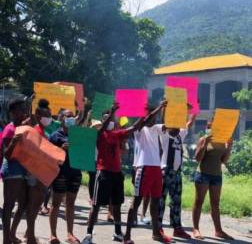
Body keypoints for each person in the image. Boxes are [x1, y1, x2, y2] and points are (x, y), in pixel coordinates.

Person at [81, 104, 144, 244]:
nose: (109, 121)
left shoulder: (117, 134)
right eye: (106, 119)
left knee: (116, 205)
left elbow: (133, 128)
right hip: (103, 172)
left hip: (116, 173)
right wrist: (112, 112)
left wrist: (144, 115)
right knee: (96, 205)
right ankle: (89, 235)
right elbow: (103, 127)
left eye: (111, 119)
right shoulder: (98, 134)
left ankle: (117, 233)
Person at [124, 102, 172, 244]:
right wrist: (159, 107)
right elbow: (146, 119)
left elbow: (169, 127)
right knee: (137, 201)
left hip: (156, 168)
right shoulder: (139, 129)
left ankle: (156, 233)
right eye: (150, 114)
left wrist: (173, 111)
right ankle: (127, 235)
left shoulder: (157, 128)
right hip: (143, 168)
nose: (154, 118)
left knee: (156, 201)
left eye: (154, 115)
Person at [158, 114, 196, 240]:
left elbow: (189, 123)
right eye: (176, 124)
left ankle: (177, 228)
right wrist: (166, 109)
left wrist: (194, 111)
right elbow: (165, 120)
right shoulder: (164, 134)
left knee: (176, 201)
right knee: (161, 200)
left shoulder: (181, 135)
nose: (180, 126)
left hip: (177, 172)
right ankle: (158, 228)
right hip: (165, 171)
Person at [192, 121, 234, 240]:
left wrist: (229, 147)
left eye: (211, 127)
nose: (208, 128)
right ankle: (196, 229)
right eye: (208, 127)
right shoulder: (203, 139)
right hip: (203, 174)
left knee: (215, 204)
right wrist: (205, 144)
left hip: (216, 176)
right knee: (199, 202)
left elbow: (224, 161)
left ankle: (218, 231)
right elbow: (197, 158)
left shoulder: (222, 142)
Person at [48, 109, 82, 244]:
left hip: (75, 173)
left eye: (72, 116)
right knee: (55, 204)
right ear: (61, 119)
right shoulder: (55, 136)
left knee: (70, 204)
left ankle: (70, 234)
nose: (71, 119)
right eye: (68, 116)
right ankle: (53, 235)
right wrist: (61, 148)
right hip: (60, 173)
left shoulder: (79, 134)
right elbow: (49, 155)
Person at [0, 98, 28, 244]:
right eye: (21, 110)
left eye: (24, 109)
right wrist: (15, 140)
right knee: (9, 205)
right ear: (12, 113)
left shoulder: (25, 126)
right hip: (12, 170)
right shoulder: (10, 129)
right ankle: (6, 239)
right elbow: (6, 154)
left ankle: (11, 234)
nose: (24, 112)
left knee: (23, 204)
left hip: (23, 169)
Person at [25, 99, 53, 244]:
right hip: (35, 172)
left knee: (36, 204)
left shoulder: (43, 131)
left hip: (41, 172)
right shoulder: (36, 130)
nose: (49, 117)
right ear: (38, 115)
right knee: (33, 204)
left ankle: (28, 233)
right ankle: (30, 236)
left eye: (50, 114)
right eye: (46, 114)